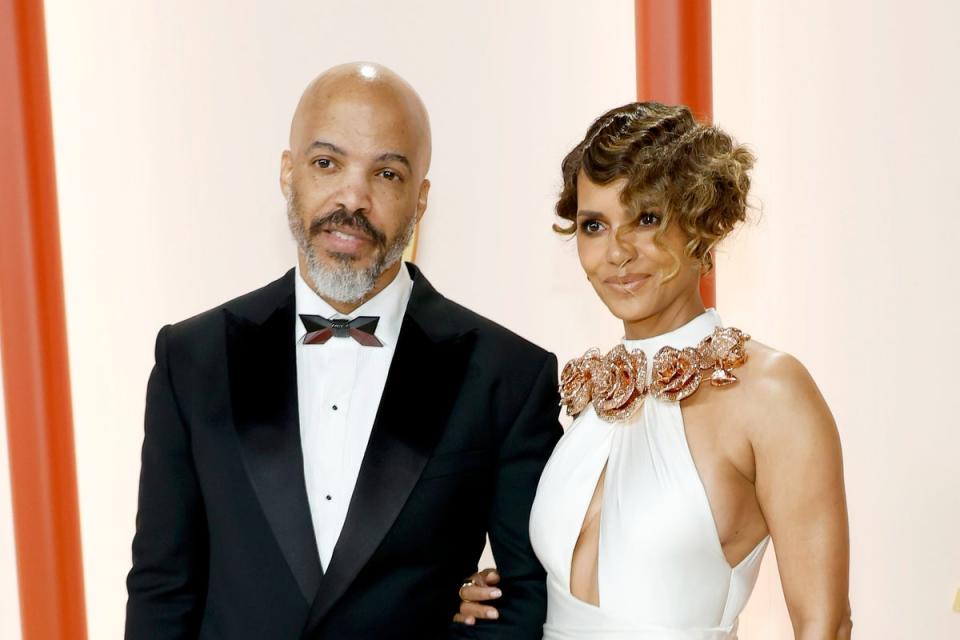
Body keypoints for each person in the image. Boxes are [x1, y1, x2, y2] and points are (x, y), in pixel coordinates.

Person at [125, 62, 562, 639]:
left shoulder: (509, 375)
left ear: (421, 199)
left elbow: (528, 593)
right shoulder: (192, 357)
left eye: (386, 173)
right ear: (288, 173)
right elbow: (162, 588)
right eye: (326, 163)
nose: (352, 198)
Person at [454, 102, 853, 639]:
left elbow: (824, 625)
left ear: (703, 224)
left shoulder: (772, 392)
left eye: (646, 219)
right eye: (594, 225)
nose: (617, 252)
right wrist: (488, 595)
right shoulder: (594, 397)